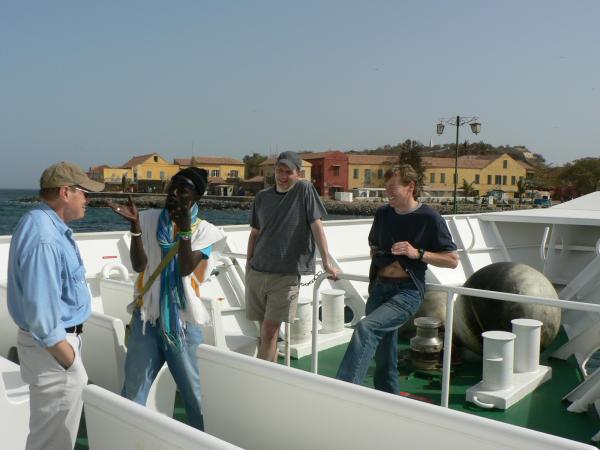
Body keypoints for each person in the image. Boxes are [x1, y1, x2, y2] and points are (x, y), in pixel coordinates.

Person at [110, 167, 225, 430]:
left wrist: (184, 231)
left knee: (194, 396)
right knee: (133, 392)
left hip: (182, 324)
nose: (174, 193)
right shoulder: (148, 219)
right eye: (172, 186)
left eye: (182, 190)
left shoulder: (204, 231)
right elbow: (139, 266)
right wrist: (136, 229)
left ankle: (202, 441)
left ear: (195, 197)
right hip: (147, 319)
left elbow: (186, 268)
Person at [7, 162, 105, 450]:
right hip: (55, 352)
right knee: (54, 441)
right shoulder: (45, 237)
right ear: (65, 192)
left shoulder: (38, 222)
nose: (88, 200)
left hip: (51, 351)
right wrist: (71, 363)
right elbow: (43, 319)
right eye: (84, 193)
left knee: (47, 437)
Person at [336, 164, 458, 394]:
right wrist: (381, 253)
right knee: (385, 354)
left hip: (407, 292)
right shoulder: (383, 214)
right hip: (379, 288)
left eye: (393, 187)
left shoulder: (429, 218)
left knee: (366, 328)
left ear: (410, 186)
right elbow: (373, 243)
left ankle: (344, 392)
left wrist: (417, 253)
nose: (387, 192)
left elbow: (452, 260)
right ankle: (389, 397)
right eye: (386, 188)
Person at [245, 151, 339, 362]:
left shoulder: (304, 189)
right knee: (265, 333)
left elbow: (317, 225)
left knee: (270, 332)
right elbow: (254, 234)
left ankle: (260, 381)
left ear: (299, 173)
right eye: (280, 171)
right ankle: (271, 373)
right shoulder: (262, 197)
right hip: (257, 272)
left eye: (289, 172)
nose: (283, 176)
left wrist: (326, 261)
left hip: (285, 276)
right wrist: (247, 265)